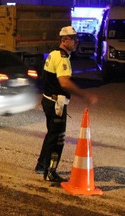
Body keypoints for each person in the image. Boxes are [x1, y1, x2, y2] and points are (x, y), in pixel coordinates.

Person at [35, 26, 98, 182]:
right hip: (56, 103)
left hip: (48, 100)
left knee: (51, 134)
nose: (76, 42)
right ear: (64, 40)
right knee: (58, 138)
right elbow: (64, 82)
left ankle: (42, 165)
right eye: (73, 39)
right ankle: (50, 172)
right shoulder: (62, 58)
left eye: (77, 39)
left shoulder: (53, 54)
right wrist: (85, 95)